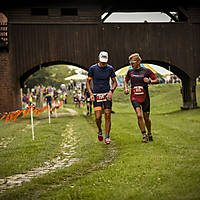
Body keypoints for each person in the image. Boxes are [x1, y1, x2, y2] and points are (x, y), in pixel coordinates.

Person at [124, 53, 159, 143]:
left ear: (139, 61)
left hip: (145, 97)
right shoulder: (130, 71)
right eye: (130, 63)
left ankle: (149, 133)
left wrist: (150, 81)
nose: (131, 65)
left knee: (146, 118)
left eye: (133, 63)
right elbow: (126, 80)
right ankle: (144, 135)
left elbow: (157, 80)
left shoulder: (146, 71)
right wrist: (126, 88)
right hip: (134, 97)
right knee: (139, 115)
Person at [86, 51, 118, 144]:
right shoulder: (93, 68)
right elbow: (88, 82)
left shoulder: (110, 69)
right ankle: (100, 130)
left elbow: (115, 82)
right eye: (102, 61)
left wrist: (111, 91)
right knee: (98, 117)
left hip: (107, 94)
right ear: (98, 59)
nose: (104, 63)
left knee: (107, 115)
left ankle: (107, 136)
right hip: (96, 94)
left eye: (105, 62)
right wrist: (91, 94)